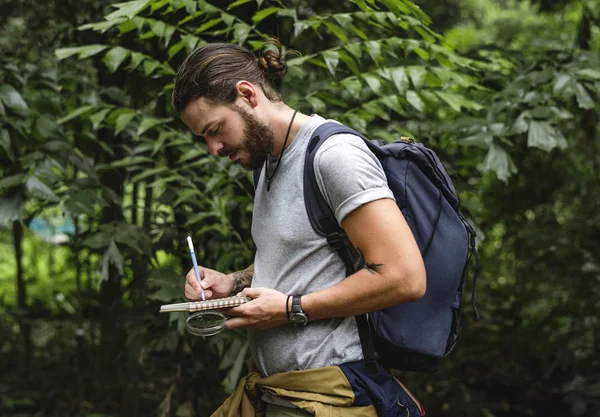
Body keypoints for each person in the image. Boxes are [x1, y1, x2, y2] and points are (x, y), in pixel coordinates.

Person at [172, 39, 427, 417]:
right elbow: (302, 262)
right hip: (280, 393)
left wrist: (291, 309)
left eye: (215, 129)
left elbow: (405, 277)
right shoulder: (267, 165)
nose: (213, 148)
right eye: (205, 138)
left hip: (331, 395)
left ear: (247, 94)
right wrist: (233, 283)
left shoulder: (333, 157)